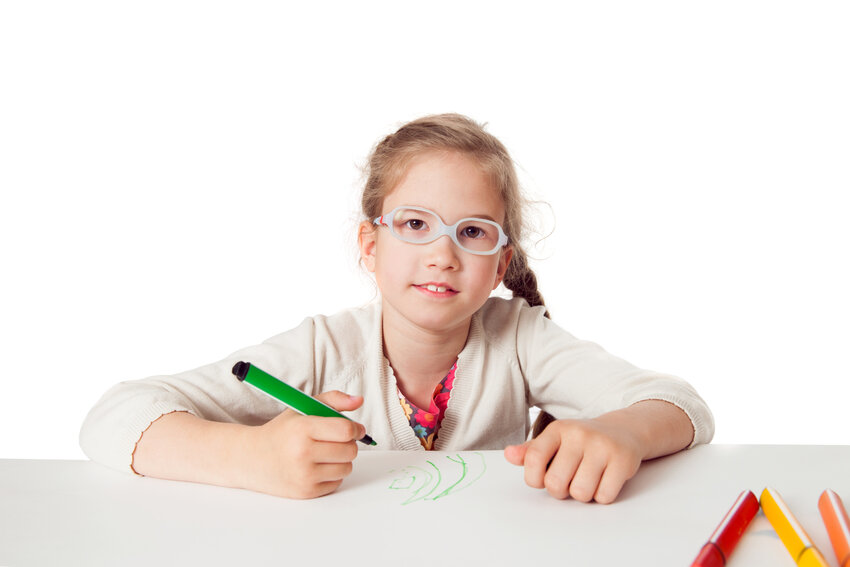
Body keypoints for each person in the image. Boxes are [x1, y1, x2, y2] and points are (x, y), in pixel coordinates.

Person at [80, 114, 714, 503]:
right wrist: (253, 458)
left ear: (500, 263)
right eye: (415, 223)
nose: (442, 255)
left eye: (472, 233)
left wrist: (620, 432)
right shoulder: (322, 348)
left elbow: (682, 404)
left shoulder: (519, 338)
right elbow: (113, 417)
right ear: (370, 244)